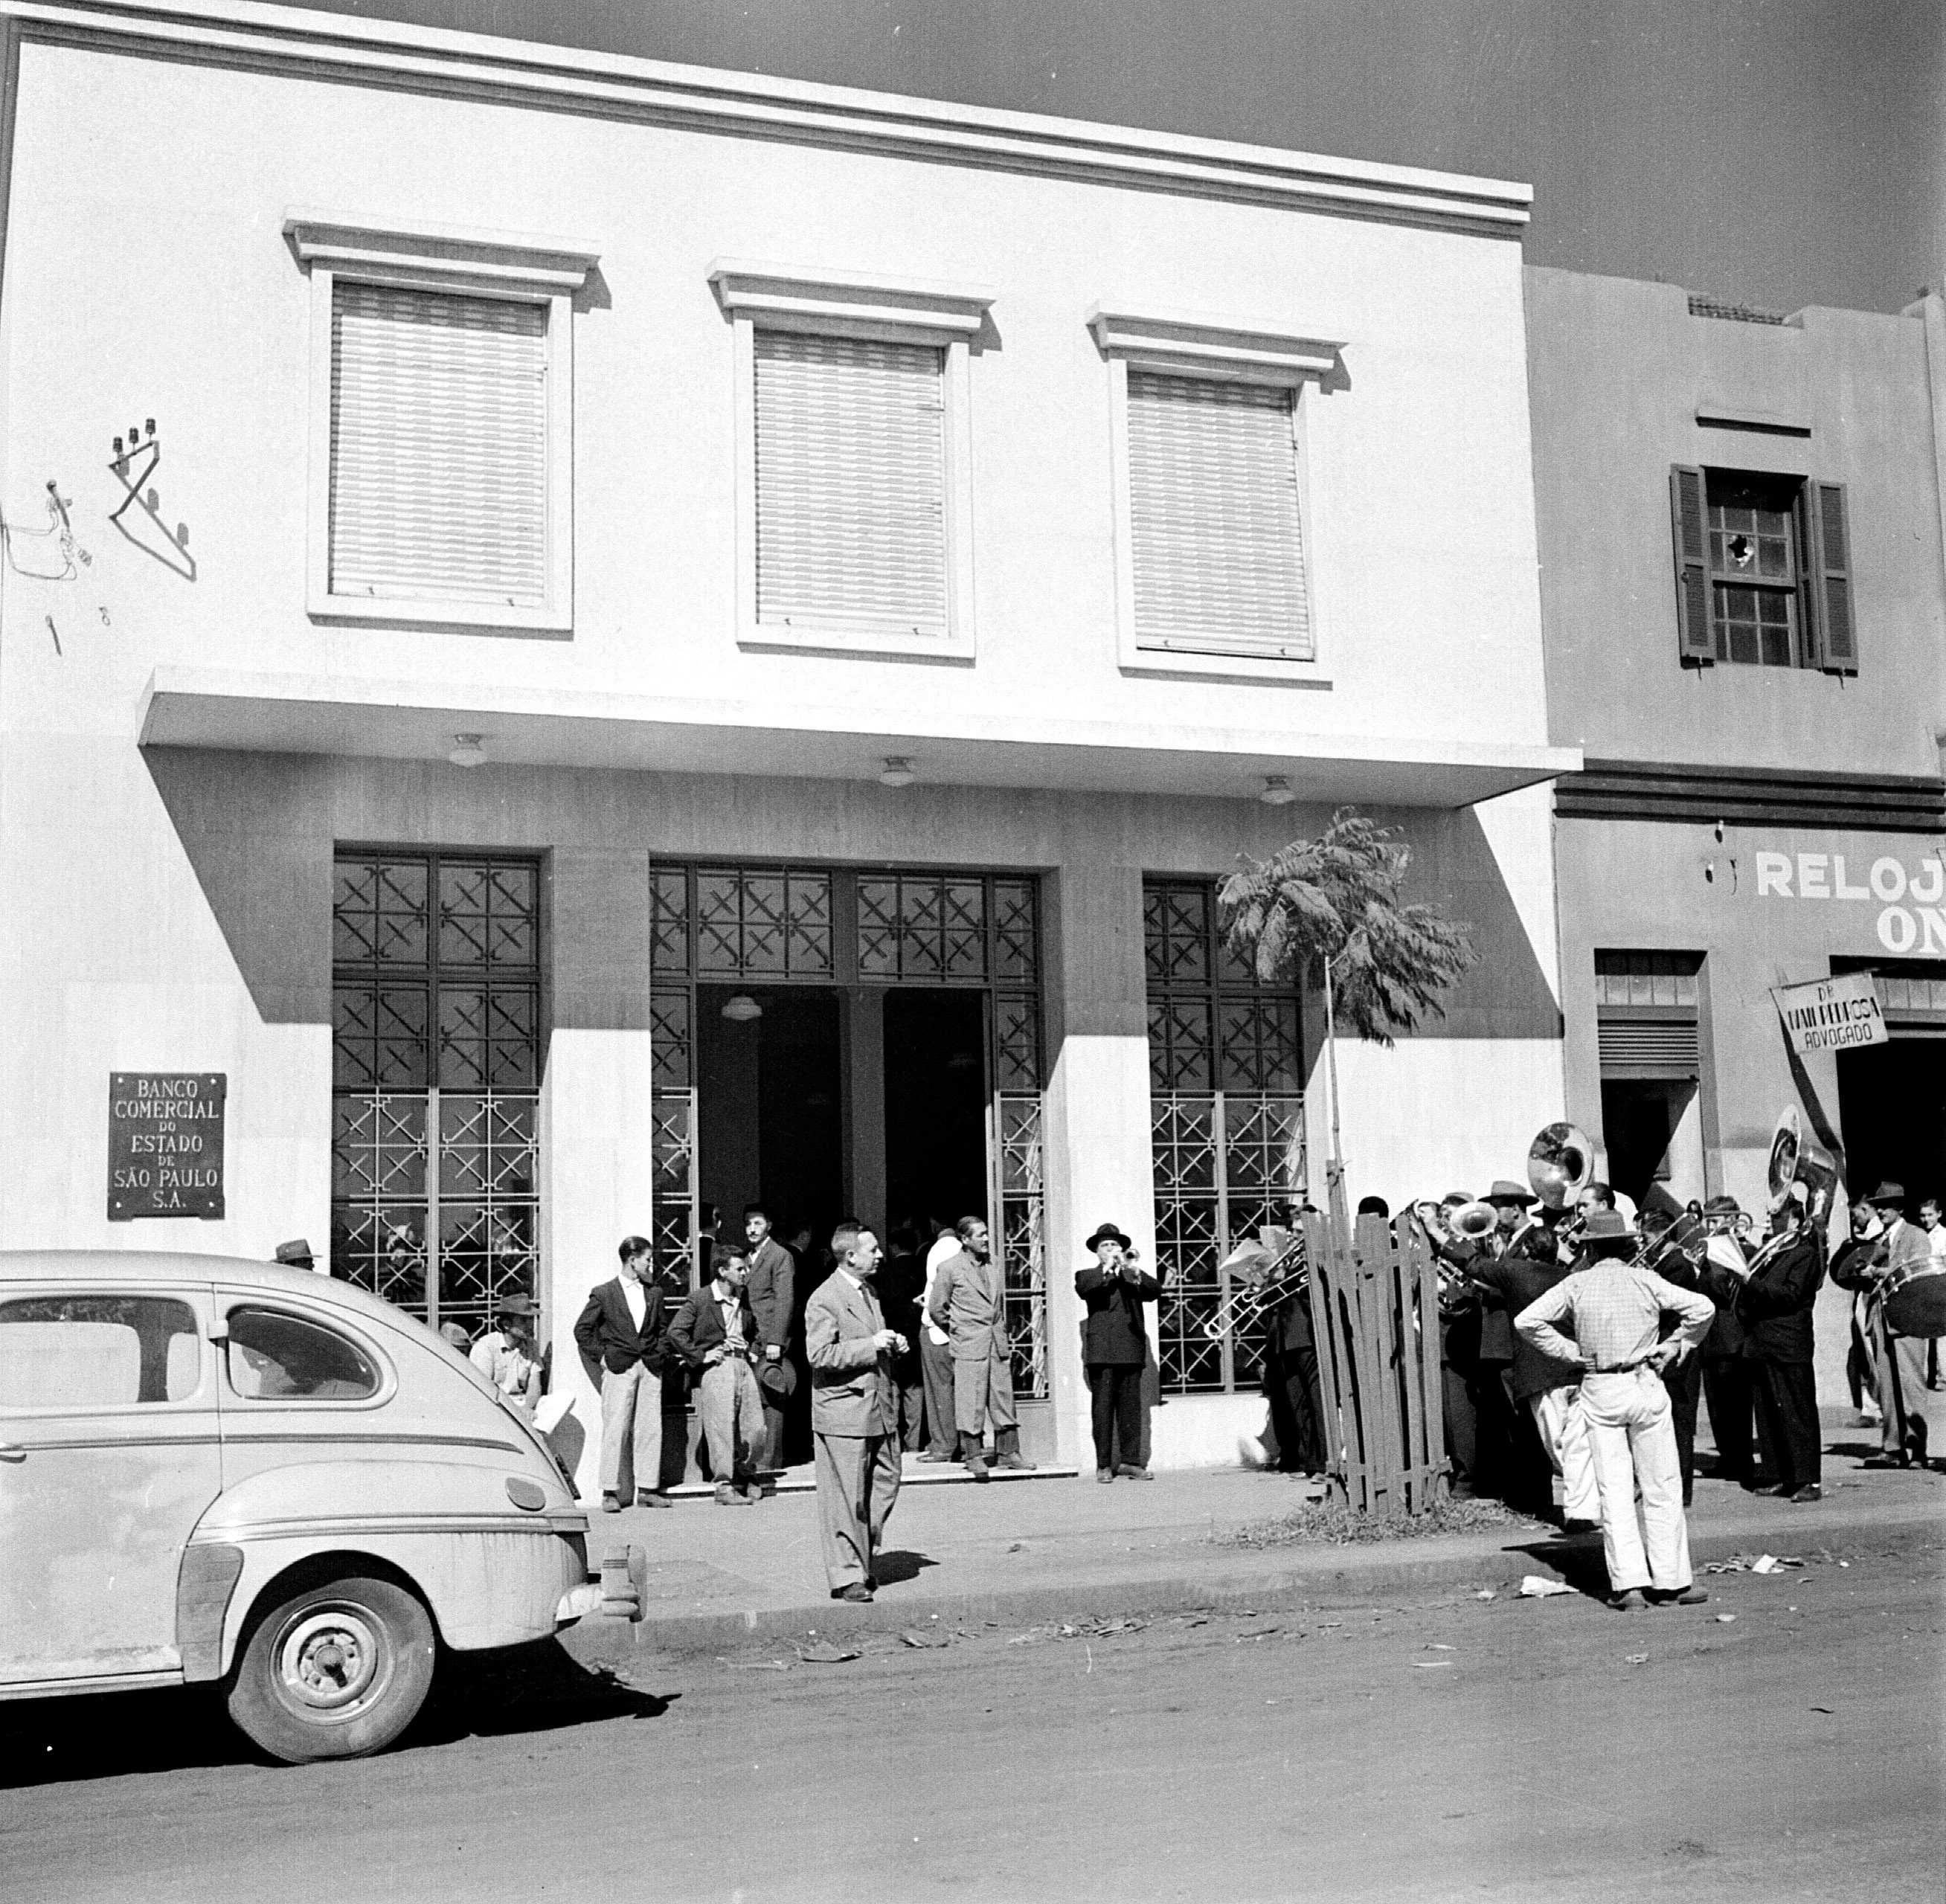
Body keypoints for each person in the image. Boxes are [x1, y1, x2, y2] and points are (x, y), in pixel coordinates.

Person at [1515, 1209, 1715, 1611]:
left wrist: (1571, 1352)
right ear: (1627, 1246)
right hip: (1643, 1382)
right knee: (1662, 1486)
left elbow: (1528, 1321)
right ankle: (1672, 1581)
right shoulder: (1646, 1279)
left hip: (1601, 1386)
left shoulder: (1577, 1284)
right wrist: (1675, 1345)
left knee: (1614, 1489)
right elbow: (1703, 1308)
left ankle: (1629, 1586)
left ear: (1589, 1247)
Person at [805, 1220, 905, 1602]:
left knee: (887, 1480)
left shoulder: (869, 1293)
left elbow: (871, 1344)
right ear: (850, 1257)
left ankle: (860, 1555)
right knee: (846, 1498)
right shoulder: (824, 1298)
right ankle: (848, 1576)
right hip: (843, 1413)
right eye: (872, 1250)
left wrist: (892, 1345)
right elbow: (819, 1355)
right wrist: (870, 1345)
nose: (880, 1255)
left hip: (877, 1408)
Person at [1471, 1220, 1595, 1525]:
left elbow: (1471, 1264)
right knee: (1576, 1443)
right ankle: (1583, 1511)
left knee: (1557, 1447)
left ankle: (1583, 1509)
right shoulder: (1569, 1276)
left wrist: (1435, 1230)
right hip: (1575, 1370)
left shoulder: (1518, 1272)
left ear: (1526, 1249)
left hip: (1542, 1373)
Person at [1735, 1191, 1825, 1502]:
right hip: (1760, 1342)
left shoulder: (1805, 1254)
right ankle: (1777, 1473)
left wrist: (1751, 1281)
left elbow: (1790, 1296)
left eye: (1777, 1217)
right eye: (1771, 1216)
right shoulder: (1769, 1252)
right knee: (1769, 1413)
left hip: (1788, 1342)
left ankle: (1807, 1480)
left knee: (1797, 1412)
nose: (1770, 1222)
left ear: (1796, 1221)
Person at [928, 1215, 1034, 1479]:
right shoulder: (949, 1268)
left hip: (996, 1343)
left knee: (1002, 1398)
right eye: (980, 1235)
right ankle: (973, 1455)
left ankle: (1009, 1452)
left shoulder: (993, 1264)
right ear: (965, 1240)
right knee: (970, 1401)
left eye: (986, 1233)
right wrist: (959, 1331)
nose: (986, 1239)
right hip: (969, 1344)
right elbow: (937, 1309)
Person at [574, 1236, 672, 1514]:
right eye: (647, 1259)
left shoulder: (654, 1293)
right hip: (619, 1367)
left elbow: (663, 1330)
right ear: (632, 1260)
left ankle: (648, 1489)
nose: (651, 1264)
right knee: (616, 1428)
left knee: (650, 1428)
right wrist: (602, 1357)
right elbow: (582, 1330)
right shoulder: (604, 1293)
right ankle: (610, 1491)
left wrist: (659, 1352)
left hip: (650, 1366)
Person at [668, 1243, 766, 1507]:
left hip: (743, 1364)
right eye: (739, 1269)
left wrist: (755, 1350)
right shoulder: (700, 1299)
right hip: (717, 1368)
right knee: (721, 1427)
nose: (744, 1273)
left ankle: (746, 1472)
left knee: (755, 1426)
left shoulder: (742, 1298)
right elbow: (676, 1332)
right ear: (722, 1271)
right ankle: (724, 1486)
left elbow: (756, 1330)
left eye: (745, 1267)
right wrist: (701, 1356)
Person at [1858, 1182, 1944, 1468]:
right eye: (1878, 1206)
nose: (1880, 1211)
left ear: (1899, 1209)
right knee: (1887, 1384)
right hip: (1882, 1318)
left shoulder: (1916, 1235)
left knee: (1910, 1384)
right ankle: (1893, 1448)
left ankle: (1917, 1449)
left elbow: (1916, 1273)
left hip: (1908, 1318)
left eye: (1886, 1207)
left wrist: (1878, 1271)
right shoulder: (1882, 1239)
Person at [1074, 1222, 1160, 1482]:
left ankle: (1130, 1462)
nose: (1111, 1249)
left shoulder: (1131, 1274)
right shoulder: (1087, 1275)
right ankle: (1103, 1465)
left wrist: (1132, 1270)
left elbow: (1155, 1291)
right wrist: (1108, 1270)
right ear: (1097, 1252)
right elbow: (1086, 1290)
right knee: (1102, 1410)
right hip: (1102, 1352)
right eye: (1106, 1246)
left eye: (1115, 1245)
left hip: (1131, 1349)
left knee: (1131, 1410)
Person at [742, 1203, 796, 1471]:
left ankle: (769, 1462)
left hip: (769, 1339)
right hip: (750, 1339)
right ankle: (754, 1458)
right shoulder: (746, 1257)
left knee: (772, 1397)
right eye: (749, 1224)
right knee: (755, 1400)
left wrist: (777, 1339)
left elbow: (784, 1299)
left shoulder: (780, 1256)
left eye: (758, 1224)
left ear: (769, 1226)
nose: (752, 1229)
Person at [878, 1226, 930, 1452]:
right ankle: (914, 1444)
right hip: (917, 1338)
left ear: (893, 1246)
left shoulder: (884, 1273)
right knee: (914, 1396)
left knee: (893, 1394)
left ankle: (893, 1445)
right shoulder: (923, 1269)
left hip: (892, 1338)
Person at [916, 1218, 961, 1462]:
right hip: (957, 1329)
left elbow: (938, 1289)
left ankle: (943, 1445)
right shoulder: (963, 1250)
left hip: (937, 1330)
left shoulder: (940, 1248)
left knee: (939, 1390)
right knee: (957, 1389)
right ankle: (961, 1443)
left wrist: (934, 1313)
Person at [470, 1293, 545, 1414]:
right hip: (498, 1406)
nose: (530, 1325)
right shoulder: (486, 1346)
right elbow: (483, 1390)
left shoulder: (531, 1345)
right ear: (506, 1324)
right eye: (523, 1320)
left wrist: (526, 1408)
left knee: (562, 1399)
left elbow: (534, 1387)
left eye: (531, 1319)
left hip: (523, 1404)